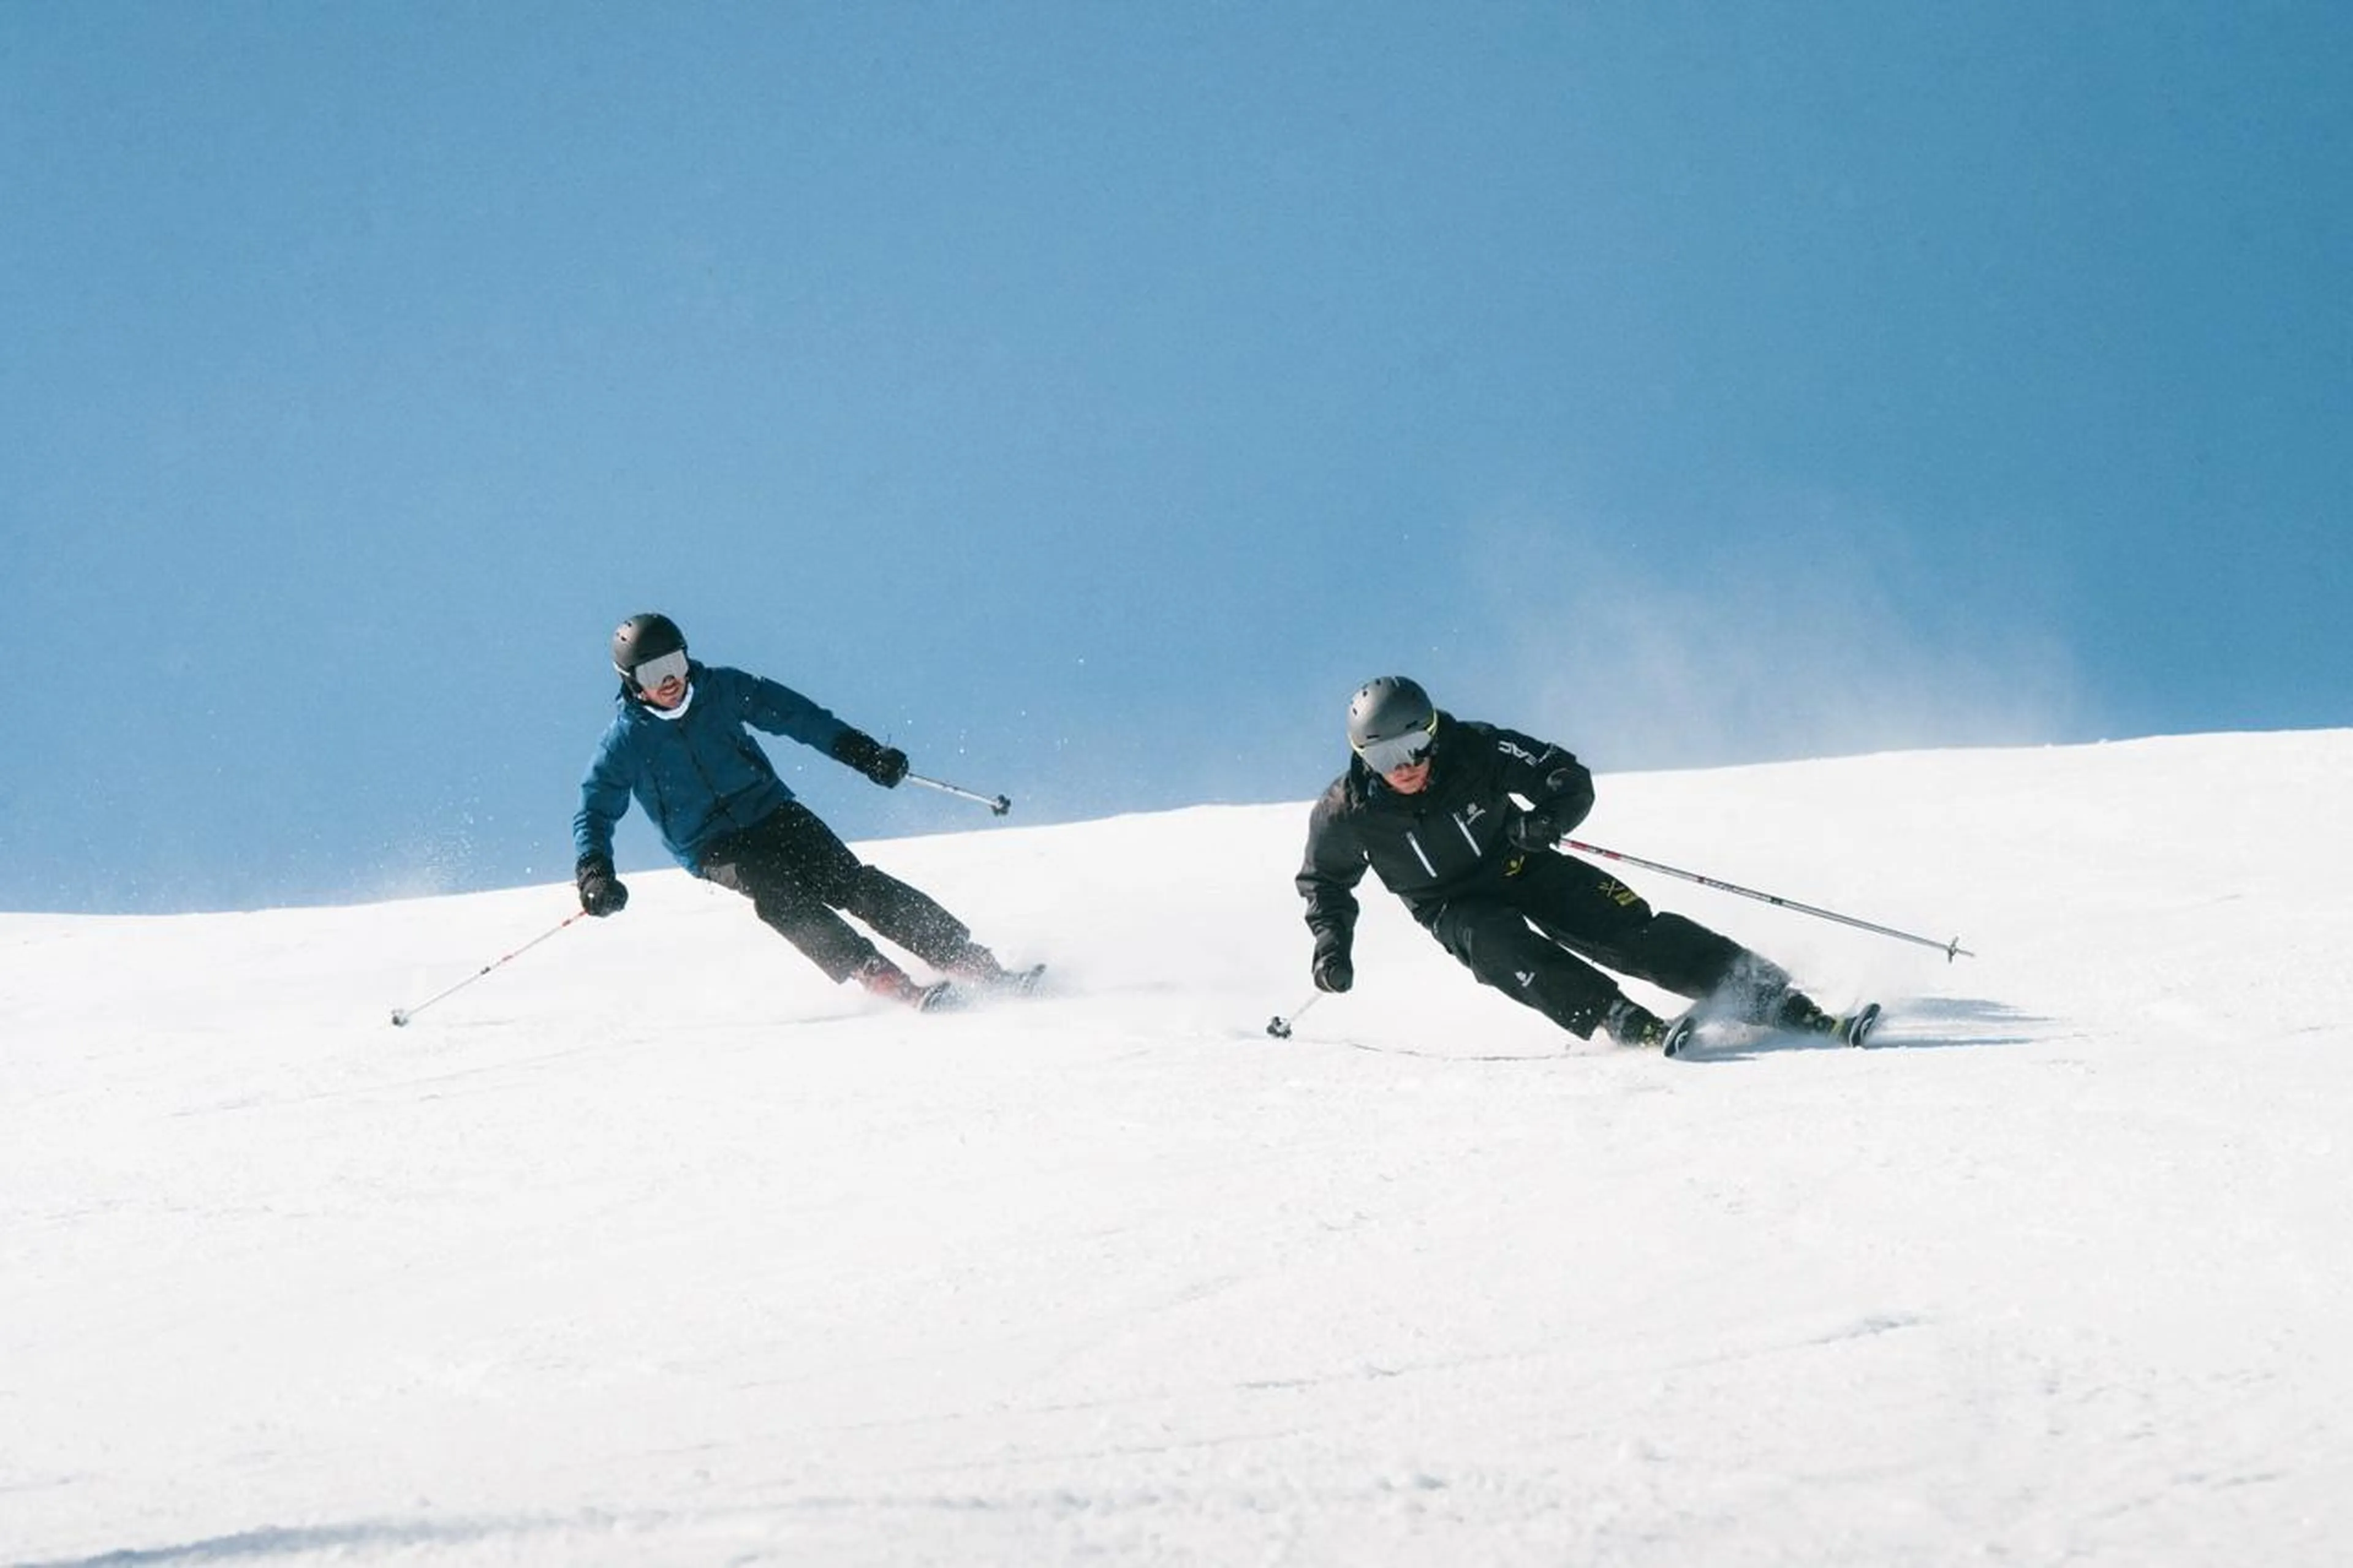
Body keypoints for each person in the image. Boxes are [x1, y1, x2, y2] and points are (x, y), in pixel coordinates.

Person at [1295, 676, 1862, 1048]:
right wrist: (1331, 947)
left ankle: (1771, 996)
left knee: (1627, 930)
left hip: (1519, 859)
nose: (1406, 765)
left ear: (1434, 732)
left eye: (1415, 743)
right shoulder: (1347, 812)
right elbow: (1325, 883)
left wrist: (1548, 819)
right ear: (1363, 757)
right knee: (1498, 946)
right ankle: (1618, 1017)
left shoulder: (1475, 749)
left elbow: (1564, 775)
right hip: (1452, 905)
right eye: (1386, 755)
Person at [572, 612, 1025, 1010]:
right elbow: (595, 809)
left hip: (770, 809)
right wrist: (595, 871)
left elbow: (795, 715)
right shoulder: (625, 742)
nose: (670, 680)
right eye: (654, 671)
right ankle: (881, 976)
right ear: (631, 681)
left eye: (675, 662)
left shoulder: (722, 689)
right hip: (711, 843)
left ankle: (969, 960)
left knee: (852, 882)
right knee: (778, 894)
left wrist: (862, 751)